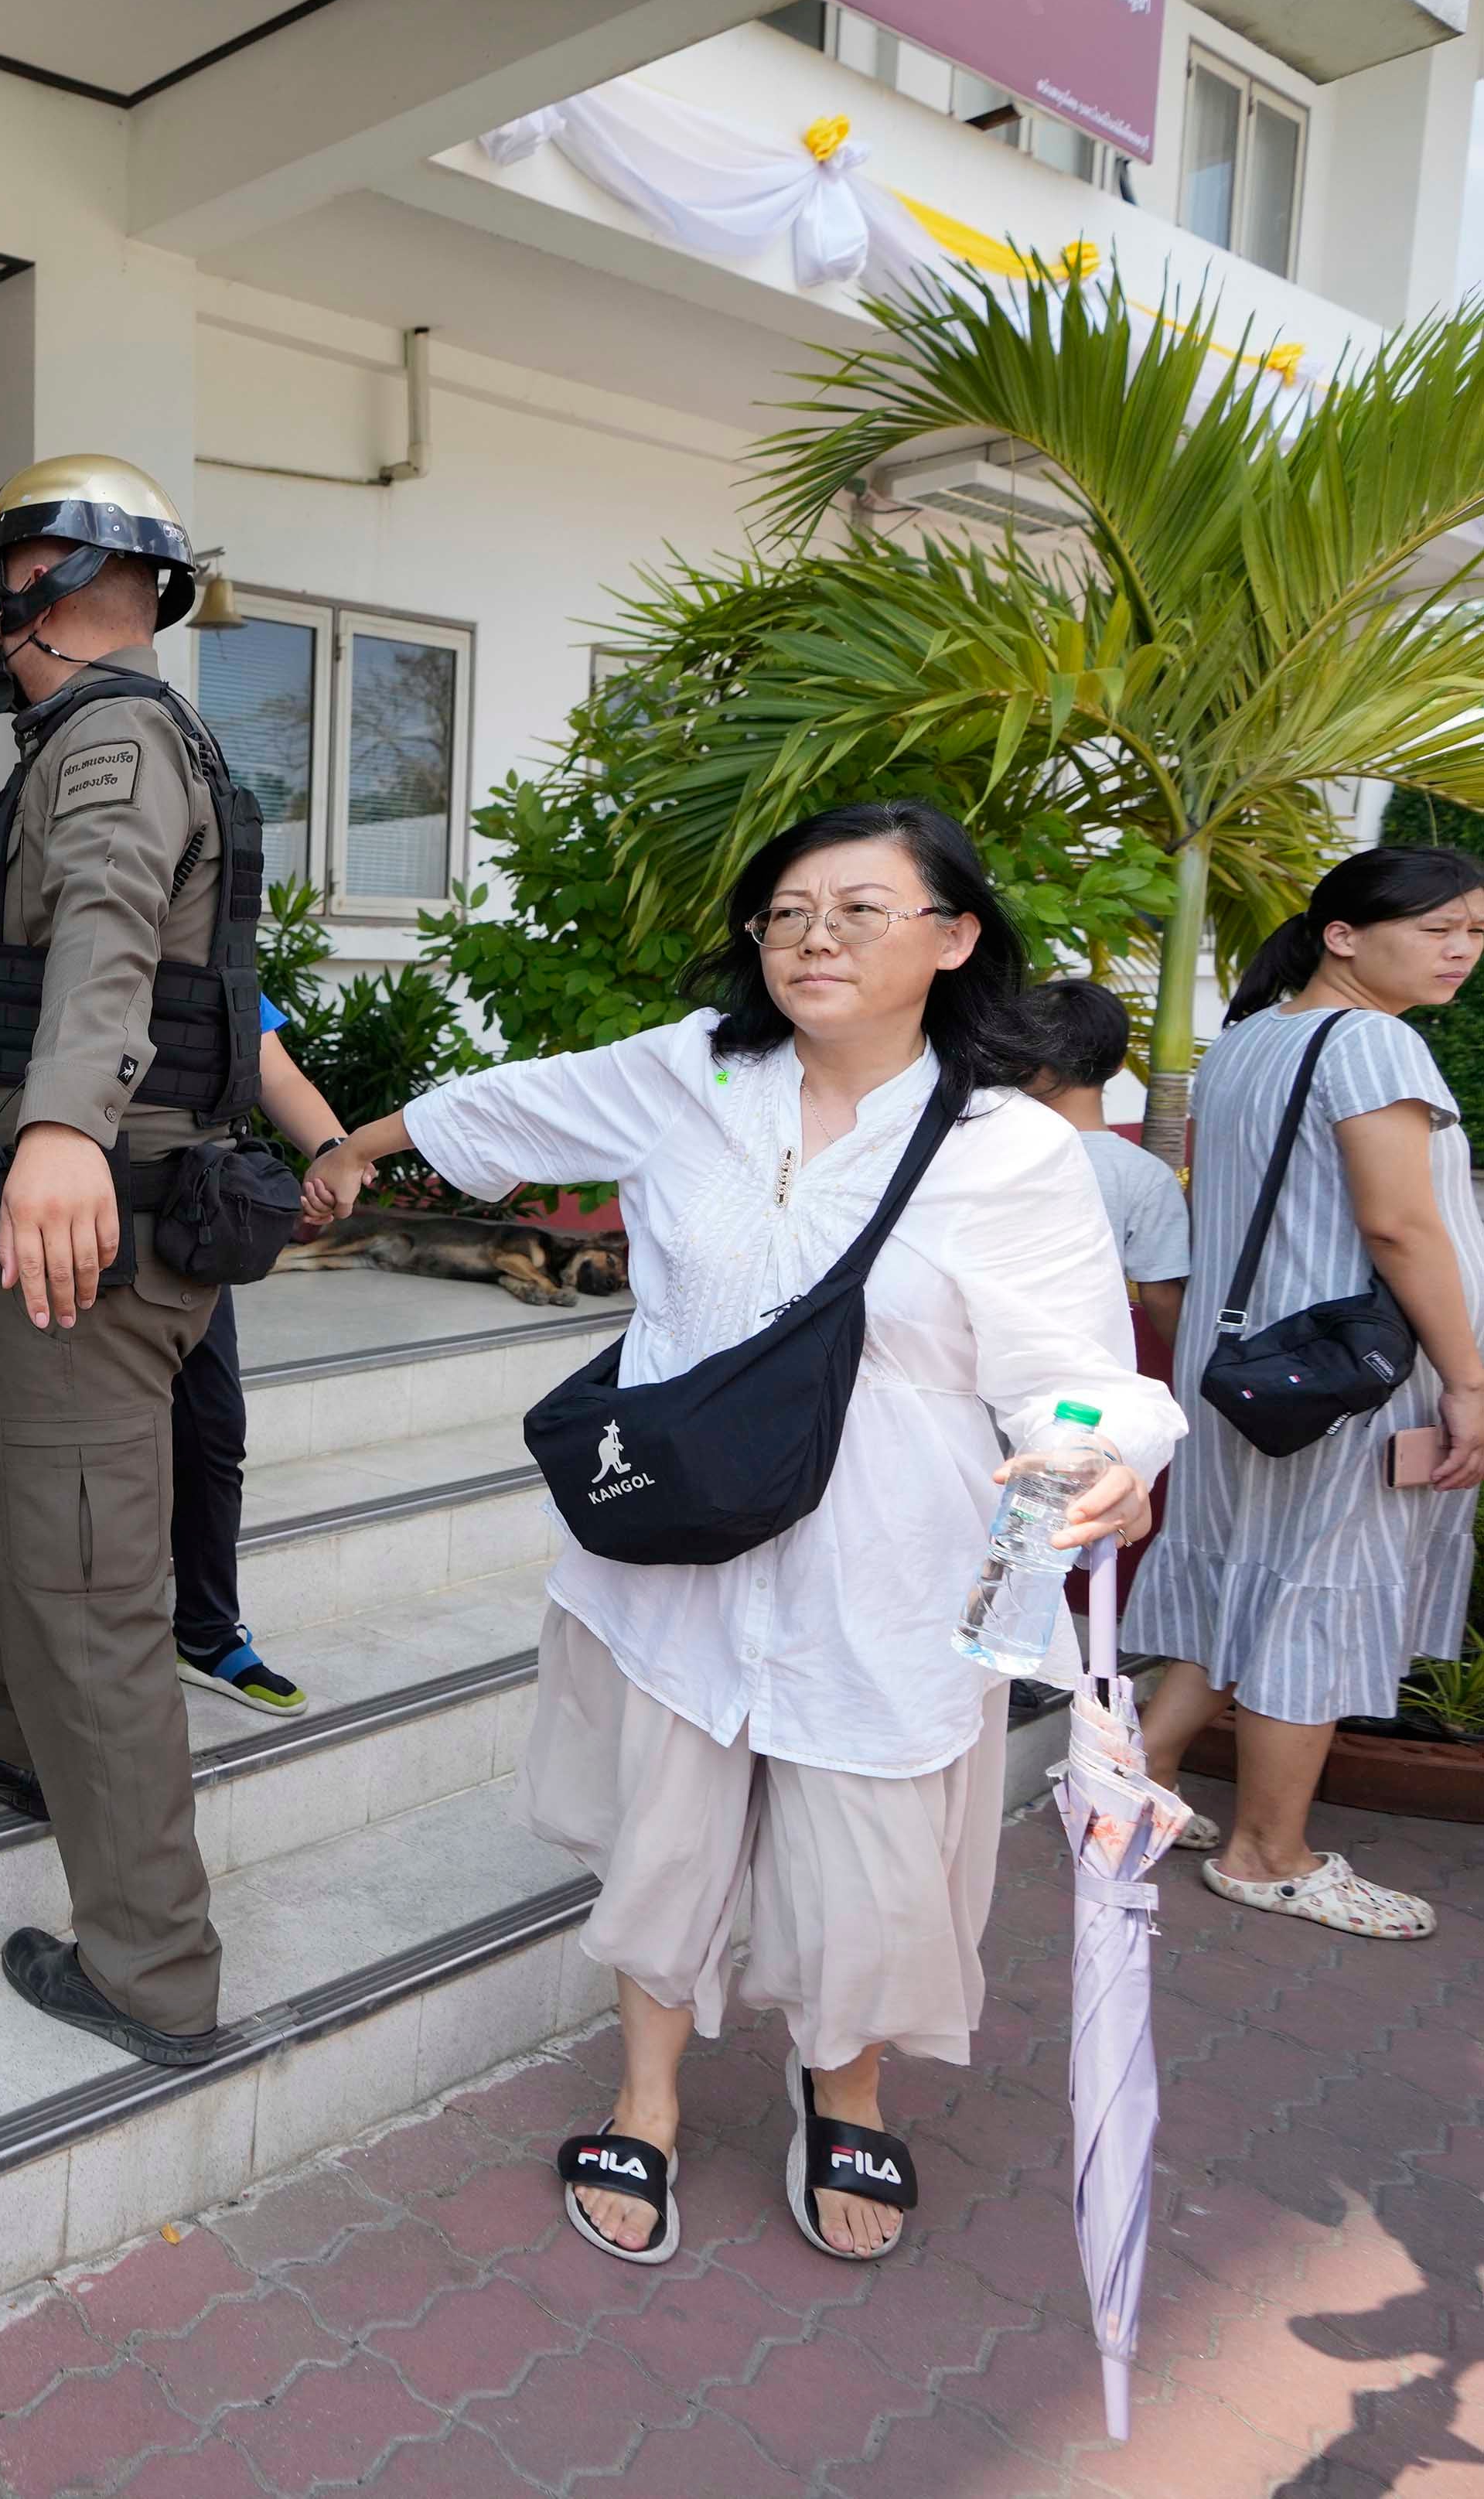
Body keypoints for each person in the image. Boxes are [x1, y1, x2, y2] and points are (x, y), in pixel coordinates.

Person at [312, 802, 1174, 2267]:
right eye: (784, 912)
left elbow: (1075, 1373)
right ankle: (642, 2095)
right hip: (679, 1534)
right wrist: (349, 1147)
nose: (812, 936)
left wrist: (1104, 1461)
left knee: (868, 1853)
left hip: (881, 1555)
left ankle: (844, 2086)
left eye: (855, 908)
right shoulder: (689, 1073)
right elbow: (516, 1104)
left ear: (952, 938)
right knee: (666, 1830)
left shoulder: (1009, 1148)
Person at [0, 454, 250, 2074]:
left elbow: (104, 926)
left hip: (93, 1235)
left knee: (87, 1594)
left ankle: (152, 1965)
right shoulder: (120, 736)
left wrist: (69, 1133)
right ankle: (21, 1735)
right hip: (35, 1215)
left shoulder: (110, 740)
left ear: (32, 585)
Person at [1133, 845, 1484, 1941]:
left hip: (1247, 1369)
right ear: (1341, 933)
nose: (1460, 949)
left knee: (1240, 1576)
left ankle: (1127, 1790)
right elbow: (1396, 1222)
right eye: (1438, 926)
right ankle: (1265, 1854)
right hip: (1343, 1377)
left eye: (1473, 931)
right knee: (1316, 1597)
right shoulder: (1373, 1044)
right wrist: (1467, 1379)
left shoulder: (1246, 1039)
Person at [166, 1003, 350, 1718]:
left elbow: (274, 1070)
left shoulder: (215, 939)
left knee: (212, 1431)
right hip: (73, 1222)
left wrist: (334, 1149)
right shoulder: (75, 916)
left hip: (190, 1220)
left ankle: (207, 1634)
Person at [1023, 978, 1189, 1359]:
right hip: (1088, 1376)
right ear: (1117, 1065)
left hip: (972, 1373)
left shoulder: (972, 1150)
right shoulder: (1144, 1175)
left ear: (1021, 1056)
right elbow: (1161, 1293)